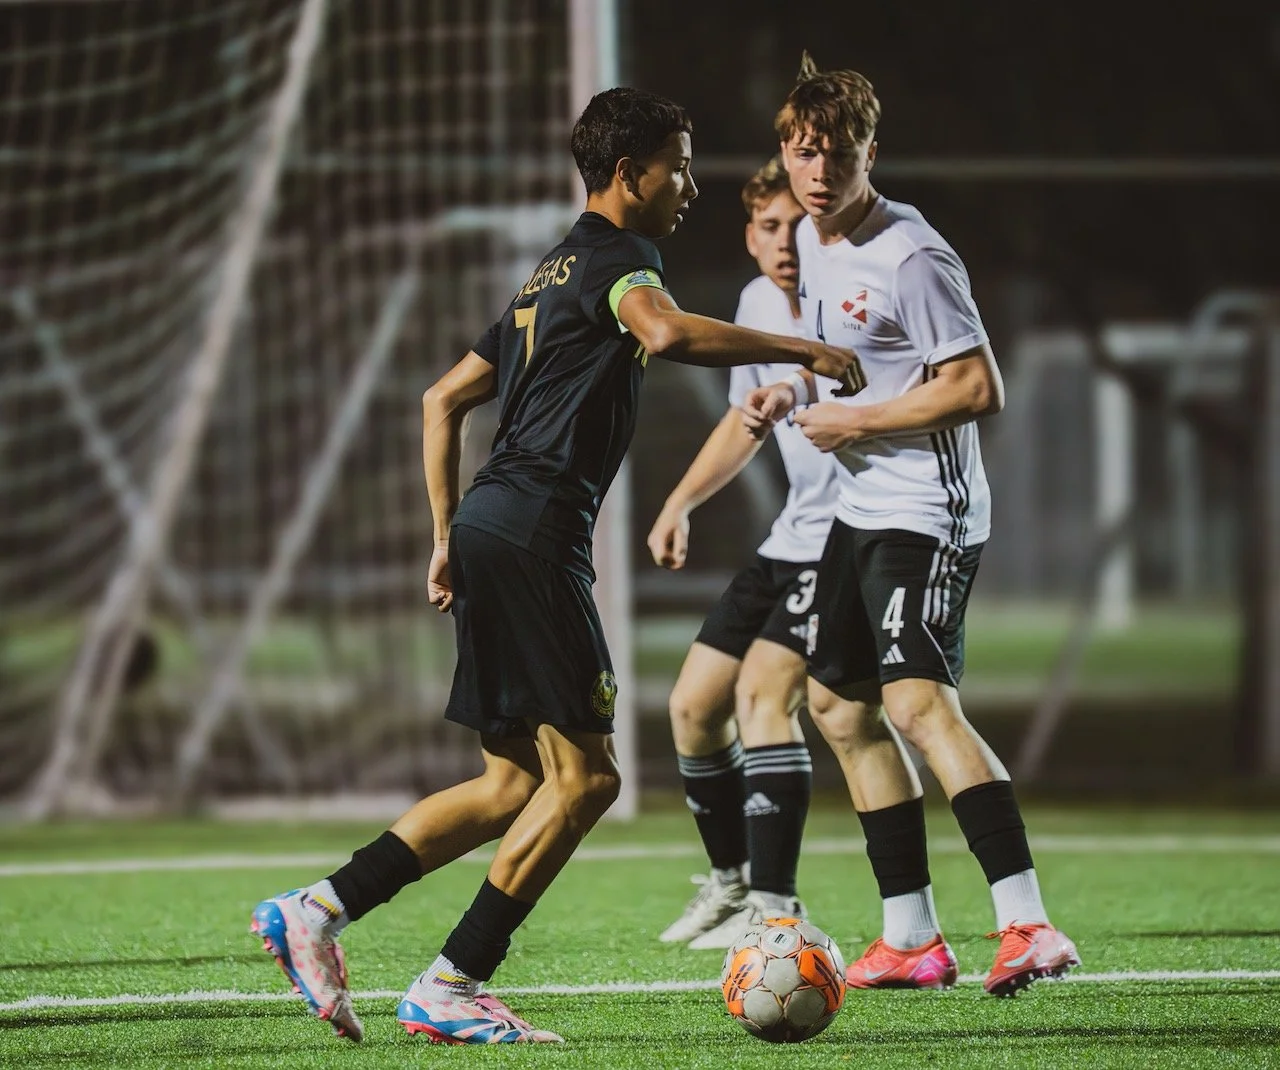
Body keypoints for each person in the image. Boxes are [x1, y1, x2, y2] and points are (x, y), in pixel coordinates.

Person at [249, 86, 860, 1046]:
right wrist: (805, 347)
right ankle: (451, 983)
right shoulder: (622, 260)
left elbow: (440, 398)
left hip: (497, 522)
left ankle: (319, 908)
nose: (689, 185)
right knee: (588, 781)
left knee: (508, 783)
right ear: (631, 174)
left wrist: (448, 533)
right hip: (536, 533)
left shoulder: (548, 273)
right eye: (680, 165)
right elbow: (664, 332)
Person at [742, 54, 1080, 997]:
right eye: (803, 153)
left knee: (915, 705)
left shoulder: (913, 253)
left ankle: (1028, 925)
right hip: (861, 508)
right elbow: (855, 364)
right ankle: (912, 938)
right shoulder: (814, 239)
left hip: (928, 514)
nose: (817, 172)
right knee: (837, 709)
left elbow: (977, 386)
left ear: (869, 154)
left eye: (836, 155)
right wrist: (794, 388)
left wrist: (851, 421)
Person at [647, 156, 841, 950]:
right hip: (791, 535)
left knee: (766, 698)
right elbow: (742, 422)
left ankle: (777, 907)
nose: (786, 241)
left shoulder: (848, 300)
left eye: (799, 225)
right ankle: (732, 884)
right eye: (770, 226)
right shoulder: (758, 304)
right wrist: (680, 502)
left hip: (849, 539)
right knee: (692, 707)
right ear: (751, 235)